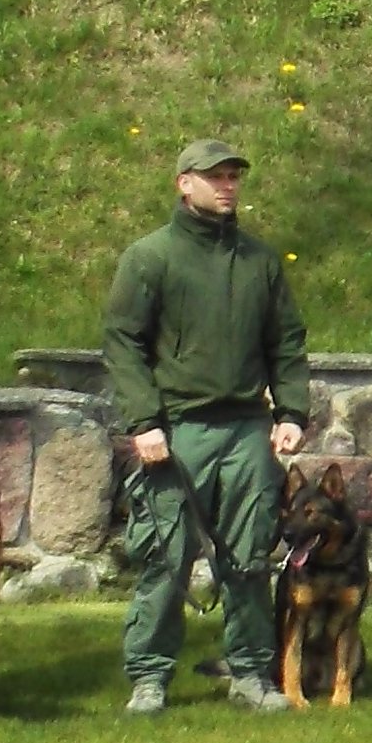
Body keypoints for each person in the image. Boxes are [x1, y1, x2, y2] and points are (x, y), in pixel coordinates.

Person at [101, 137, 310, 712]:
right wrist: (144, 421)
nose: (227, 186)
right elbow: (123, 343)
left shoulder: (260, 261)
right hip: (176, 428)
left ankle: (251, 673)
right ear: (183, 183)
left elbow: (286, 341)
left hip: (246, 427)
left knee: (250, 556)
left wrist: (291, 410)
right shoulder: (150, 257)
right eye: (215, 176)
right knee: (165, 557)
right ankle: (149, 676)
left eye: (234, 176)